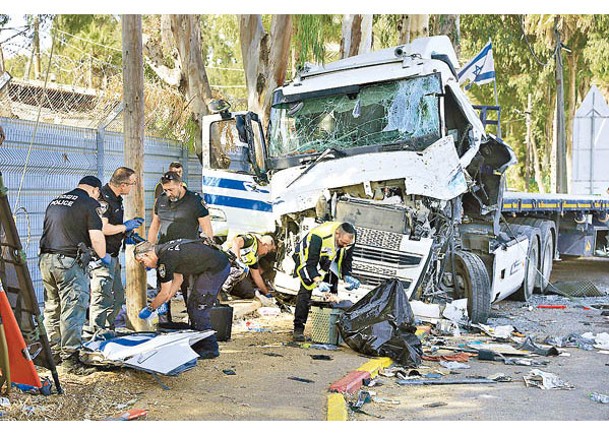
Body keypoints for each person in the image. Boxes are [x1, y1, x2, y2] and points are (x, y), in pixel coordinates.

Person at [39, 176, 109, 375]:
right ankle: (70, 360)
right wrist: (103, 257)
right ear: (95, 190)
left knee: (52, 307)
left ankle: (53, 354)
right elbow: (96, 237)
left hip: (46, 260)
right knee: (73, 308)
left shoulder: (56, 200)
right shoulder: (90, 203)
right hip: (69, 263)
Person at [134, 239, 230, 359]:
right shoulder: (165, 250)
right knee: (193, 306)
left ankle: (210, 348)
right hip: (215, 264)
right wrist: (164, 300)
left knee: (199, 306)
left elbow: (164, 292)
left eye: (142, 261)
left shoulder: (165, 260)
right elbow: (178, 280)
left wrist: (150, 308)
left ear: (147, 254)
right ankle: (199, 344)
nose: (145, 266)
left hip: (217, 268)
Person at [148, 171, 213, 319]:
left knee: (190, 291)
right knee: (163, 290)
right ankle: (164, 324)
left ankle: (195, 322)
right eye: (165, 190)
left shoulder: (195, 201)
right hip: (165, 254)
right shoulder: (161, 201)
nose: (168, 193)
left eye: (171, 189)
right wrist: (150, 248)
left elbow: (207, 229)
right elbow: (154, 225)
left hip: (188, 254)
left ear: (180, 184)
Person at [87, 167, 144, 335]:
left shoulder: (117, 198)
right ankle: (96, 333)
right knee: (102, 296)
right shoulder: (103, 199)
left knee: (118, 297)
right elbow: (102, 228)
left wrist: (126, 233)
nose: (132, 187)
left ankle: (108, 329)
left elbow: (113, 225)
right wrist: (124, 226)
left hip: (113, 254)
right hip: (101, 256)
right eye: (132, 184)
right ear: (123, 184)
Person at [292, 221, 361, 342]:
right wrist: (318, 282)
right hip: (307, 256)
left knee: (332, 291)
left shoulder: (350, 238)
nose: (345, 246)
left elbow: (347, 259)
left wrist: (347, 276)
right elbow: (310, 264)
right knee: (306, 289)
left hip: (329, 255)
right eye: (343, 243)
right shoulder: (318, 236)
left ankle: (329, 330)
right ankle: (298, 329)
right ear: (337, 234)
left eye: (347, 244)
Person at [221, 233, 276, 300]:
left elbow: (256, 276)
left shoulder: (254, 257)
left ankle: (228, 290)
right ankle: (222, 291)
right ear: (264, 244)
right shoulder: (251, 240)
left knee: (249, 293)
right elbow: (236, 241)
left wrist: (267, 293)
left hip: (232, 268)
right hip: (222, 257)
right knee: (240, 269)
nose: (266, 253)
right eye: (267, 250)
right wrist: (237, 261)